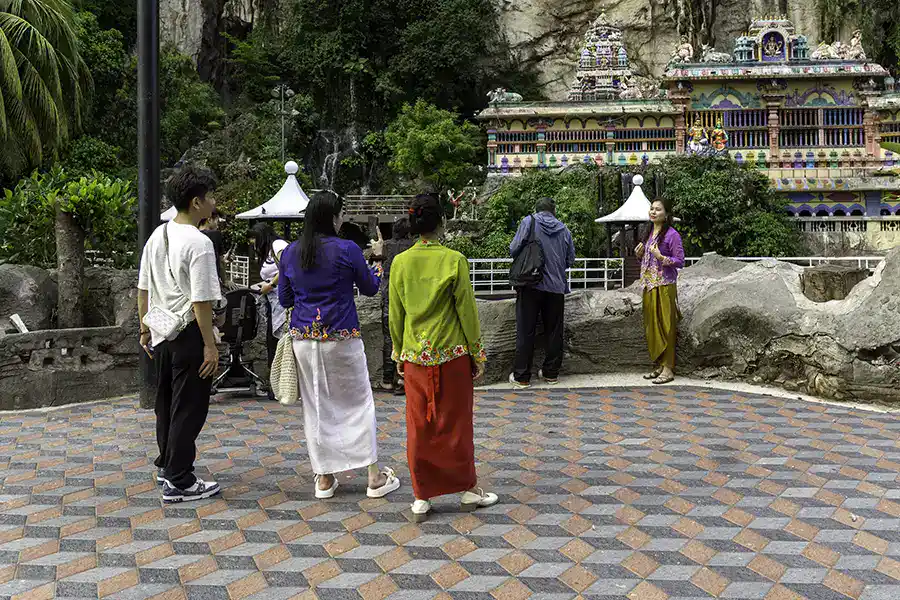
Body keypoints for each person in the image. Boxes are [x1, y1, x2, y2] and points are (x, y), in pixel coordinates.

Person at [278, 192, 400, 500]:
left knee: (316, 406)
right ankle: (373, 477)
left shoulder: (291, 252)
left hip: (304, 340)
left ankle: (324, 479)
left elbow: (284, 299)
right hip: (341, 337)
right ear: (334, 217)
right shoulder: (347, 249)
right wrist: (378, 259)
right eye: (341, 214)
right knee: (358, 403)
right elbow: (371, 288)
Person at [389, 194, 498, 522]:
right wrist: (477, 351)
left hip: (415, 357)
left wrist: (398, 350)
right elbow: (467, 311)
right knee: (458, 423)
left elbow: (396, 314)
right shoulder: (454, 260)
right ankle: (467, 489)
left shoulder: (400, 263)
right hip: (451, 356)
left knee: (419, 426)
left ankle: (422, 496)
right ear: (442, 222)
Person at [137, 165, 222, 503]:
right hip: (188, 334)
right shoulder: (199, 244)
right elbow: (201, 301)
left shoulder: (157, 235)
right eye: (211, 197)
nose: (214, 203)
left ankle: (167, 465)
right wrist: (210, 346)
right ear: (197, 201)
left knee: (167, 404)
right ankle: (181, 480)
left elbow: (143, 287)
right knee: (190, 407)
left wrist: (144, 328)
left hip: (161, 334)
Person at [508, 197, 576, 388]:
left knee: (526, 330)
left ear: (536, 209)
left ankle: (522, 377)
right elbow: (570, 259)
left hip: (530, 285)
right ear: (553, 211)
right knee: (554, 331)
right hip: (556, 288)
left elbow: (513, 249)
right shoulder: (564, 229)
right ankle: (551, 374)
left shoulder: (529, 221)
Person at [635, 197, 685, 385]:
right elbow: (647, 261)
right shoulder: (648, 233)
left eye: (658, 209)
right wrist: (640, 254)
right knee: (652, 326)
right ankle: (659, 363)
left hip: (664, 285)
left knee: (667, 326)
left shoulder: (672, 235)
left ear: (666, 214)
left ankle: (668, 368)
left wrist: (661, 256)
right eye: (651, 208)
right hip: (648, 284)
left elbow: (680, 261)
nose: (653, 212)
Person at [249, 222, 289, 401]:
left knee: (280, 340)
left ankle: (284, 385)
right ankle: (275, 386)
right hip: (271, 299)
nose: (252, 244)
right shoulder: (266, 252)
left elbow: (287, 268)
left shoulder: (278, 246)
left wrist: (271, 284)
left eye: (254, 239)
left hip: (282, 299)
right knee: (271, 340)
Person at [380, 217, 415, 393]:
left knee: (389, 338)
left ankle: (387, 379)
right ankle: (402, 379)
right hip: (408, 298)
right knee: (406, 335)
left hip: (388, 296)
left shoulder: (386, 246)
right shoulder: (413, 247)